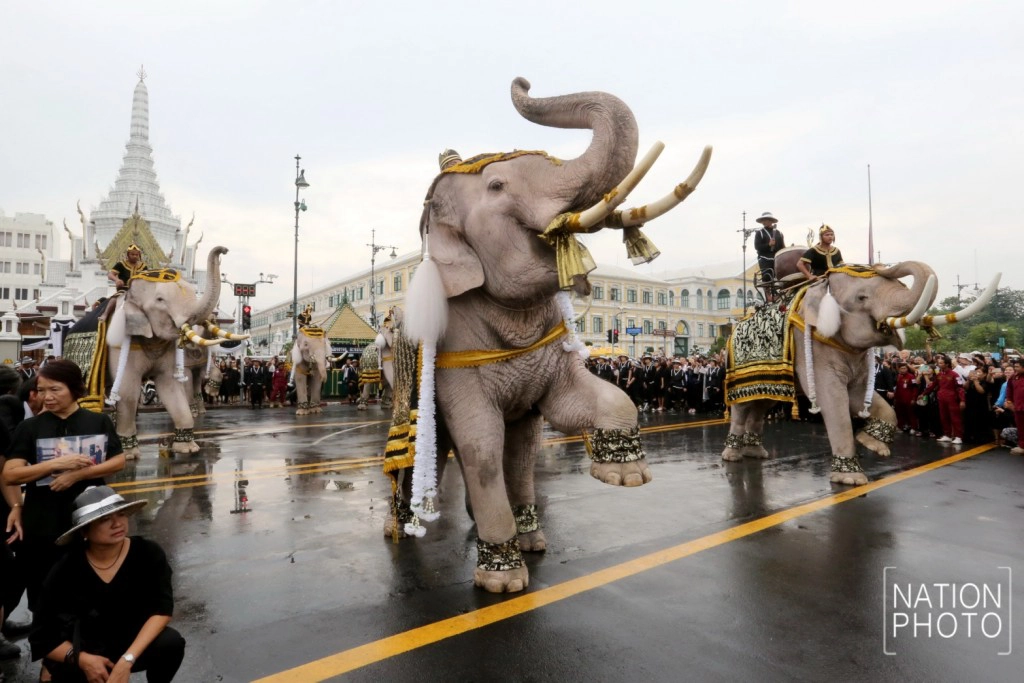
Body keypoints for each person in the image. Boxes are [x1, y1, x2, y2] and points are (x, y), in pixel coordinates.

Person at [1, 360, 126, 633]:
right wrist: (54, 465)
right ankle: (52, 651)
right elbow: (10, 474)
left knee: (87, 586)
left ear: (74, 389)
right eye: (42, 390)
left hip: (89, 519)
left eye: (55, 389)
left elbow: (118, 462)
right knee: (44, 588)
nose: (47, 397)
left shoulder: (98, 421)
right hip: (43, 520)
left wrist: (79, 475)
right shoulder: (30, 427)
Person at [30, 485, 185, 682]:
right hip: (84, 649)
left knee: (170, 643)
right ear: (84, 531)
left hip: (130, 643)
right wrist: (84, 660)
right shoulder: (66, 567)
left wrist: (127, 660)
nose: (117, 523)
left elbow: (161, 610)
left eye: (121, 514)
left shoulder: (148, 553)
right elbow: (42, 636)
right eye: (104, 519)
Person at [922, 354, 965, 445]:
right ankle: (947, 435)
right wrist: (923, 394)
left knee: (955, 418)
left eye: (941, 363)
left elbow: (960, 388)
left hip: (952, 399)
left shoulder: (954, 374)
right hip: (941, 399)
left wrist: (962, 400)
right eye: (938, 363)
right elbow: (932, 386)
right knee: (943, 417)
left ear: (947, 364)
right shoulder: (939, 375)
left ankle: (958, 436)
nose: (939, 365)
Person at [753, 212, 785, 302]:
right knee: (767, 276)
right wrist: (768, 244)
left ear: (771, 221)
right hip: (764, 258)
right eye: (763, 220)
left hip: (776, 258)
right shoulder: (760, 233)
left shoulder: (779, 233)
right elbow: (757, 247)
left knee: (778, 276)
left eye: (767, 220)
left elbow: (782, 247)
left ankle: (778, 293)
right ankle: (768, 296)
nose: (765, 222)